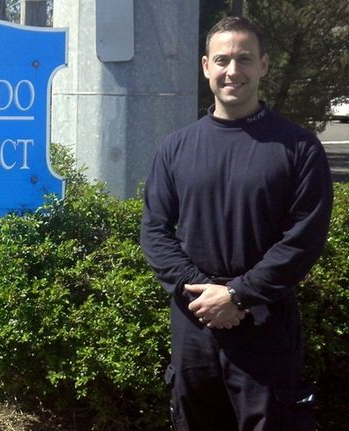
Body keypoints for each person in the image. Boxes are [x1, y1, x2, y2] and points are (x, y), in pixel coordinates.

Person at [140, 16, 333, 431]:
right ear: (205, 66)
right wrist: (202, 293)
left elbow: (304, 239)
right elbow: (155, 232)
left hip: (265, 326)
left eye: (244, 59)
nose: (233, 71)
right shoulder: (175, 148)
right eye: (223, 59)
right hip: (193, 326)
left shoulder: (299, 147)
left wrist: (237, 295)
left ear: (263, 65)